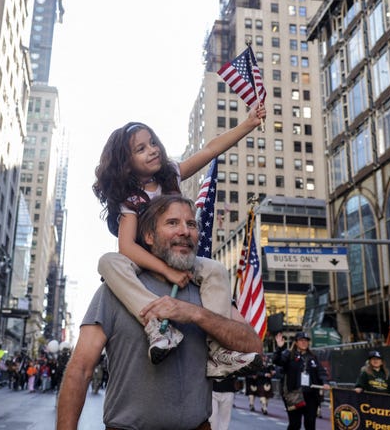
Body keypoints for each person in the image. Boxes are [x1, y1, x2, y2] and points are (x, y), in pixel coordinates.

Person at [56, 194, 263, 430]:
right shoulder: (114, 289)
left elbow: (254, 347)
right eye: (172, 223)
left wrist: (196, 314)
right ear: (149, 237)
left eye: (191, 224)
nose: (185, 231)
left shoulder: (209, 291)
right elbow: (80, 369)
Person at [93, 105, 266, 376]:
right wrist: (166, 271)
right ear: (126, 165)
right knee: (108, 262)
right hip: (147, 259)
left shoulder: (171, 174)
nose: (152, 150)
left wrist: (249, 124)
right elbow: (126, 247)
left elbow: (210, 150)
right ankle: (155, 324)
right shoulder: (131, 199)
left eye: (152, 142)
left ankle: (219, 351)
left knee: (216, 270)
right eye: (141, 149)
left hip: (180, 256)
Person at [273, 331, 330, 430]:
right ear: (296, 342)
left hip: (311, 396)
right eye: (301, 340)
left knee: (310, 424)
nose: (304, 343)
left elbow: (321, 372)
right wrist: (279, 348)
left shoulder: (313, 357)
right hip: (294, 395)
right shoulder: (289, 355)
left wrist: (325, 382)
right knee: (295, 424)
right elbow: (277, 361)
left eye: (306, 341)